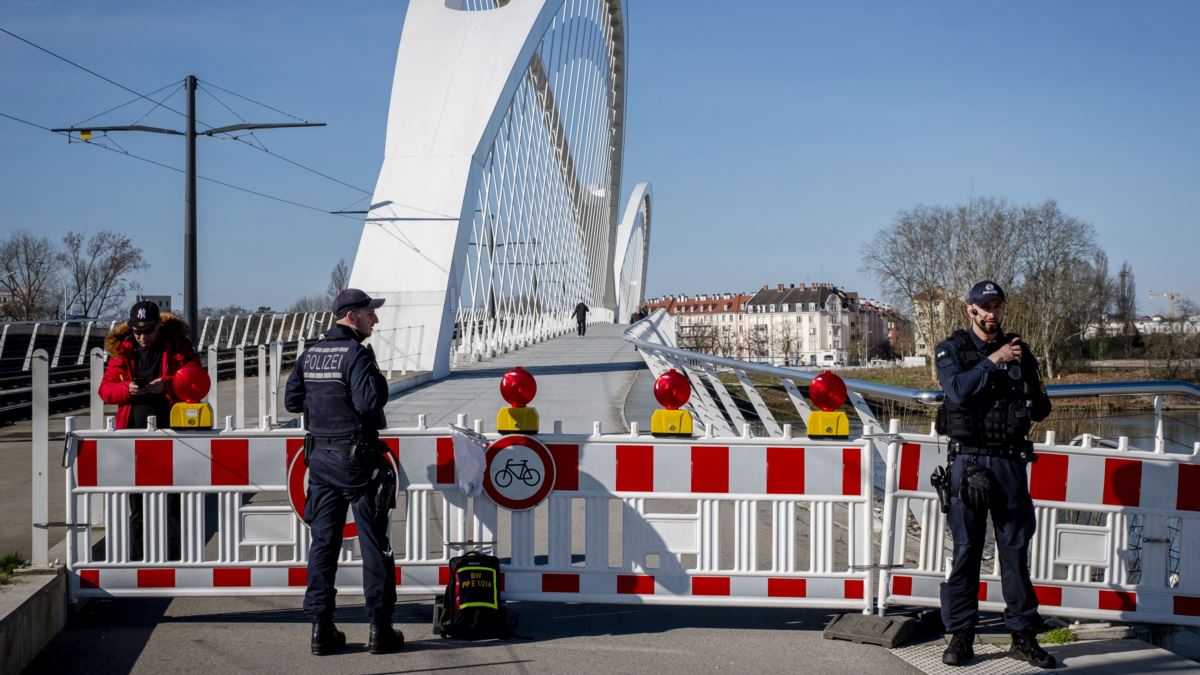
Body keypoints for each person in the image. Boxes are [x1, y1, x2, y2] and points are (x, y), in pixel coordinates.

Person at [935, 280, 1054, 668]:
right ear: (970, 309)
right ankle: (961, 637)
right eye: (986, 307)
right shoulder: (951, 349)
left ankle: (1022, 636)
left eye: (998, 306)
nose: (993, 314)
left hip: (1009, 462)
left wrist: (1027, 385)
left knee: (1015, 553)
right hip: (967, 462)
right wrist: (994, 361)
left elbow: (1040, 408)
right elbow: (957, 390)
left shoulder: (1021, 350)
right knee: (967, 552)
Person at [284, 288, 403, 656]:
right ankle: (379, 629)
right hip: (359, 462)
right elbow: (370, 402)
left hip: (320, 461)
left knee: (323, 546)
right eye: (370, 314)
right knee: (374, 547)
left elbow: (292, 401)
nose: (376, 319)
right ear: (351, 316)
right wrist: (375, 375)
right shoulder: (356, 355)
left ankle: (321, 629)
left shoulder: (310, 355)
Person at [98, 300, 200, 561]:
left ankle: (176, 561)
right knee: (138, 505)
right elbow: (105, 390)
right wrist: (127, 390)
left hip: (173, 435)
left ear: (159, 326)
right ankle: (138, 562)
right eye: (137, 332)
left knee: (173, 502)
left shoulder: (178, 346)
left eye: (148, 331)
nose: (142, 337)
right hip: (134, 436)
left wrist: (164, 386)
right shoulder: (123, 351)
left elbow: (197, 380)